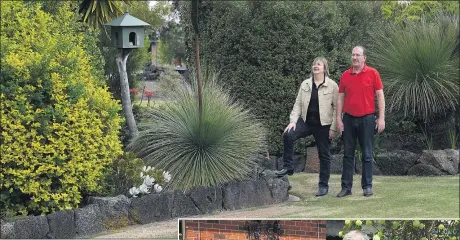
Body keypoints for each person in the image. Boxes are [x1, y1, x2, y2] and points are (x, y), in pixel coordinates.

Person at [275, 57, 338, 197]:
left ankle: (323, 186)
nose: (316, 66)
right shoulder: (305, 84)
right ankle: (288, 167)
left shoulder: (332, 85)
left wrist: (333, 127)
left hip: (324, 124)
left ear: (324, 68)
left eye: (319, 64)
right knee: (288, 135)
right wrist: (293, 121)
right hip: (306, 122)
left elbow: (337, 108)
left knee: (324, 155)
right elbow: (298, 105)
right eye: (314, 64)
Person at [336, 45, 385, 198]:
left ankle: (367, 186)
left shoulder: (373, 73)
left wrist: (381, 118)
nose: (355, 57)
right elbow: (340, 98)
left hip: (367, 119)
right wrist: (338, 118)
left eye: (358, 55)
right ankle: (346, 187)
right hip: (349, 119)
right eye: (353, 55)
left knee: (367, 154)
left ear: (364, 58)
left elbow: (380, 96)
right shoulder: (345, 75)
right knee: (347, 155)